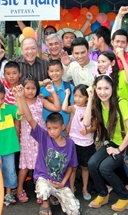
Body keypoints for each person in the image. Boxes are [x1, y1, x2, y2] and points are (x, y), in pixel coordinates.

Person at [14, 85, 80, 215]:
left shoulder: (70, 144)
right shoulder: (43, 136)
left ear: (62, 127)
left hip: (60, 182)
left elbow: (72, 167)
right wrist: (21, 98)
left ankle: (57, 197)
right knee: (43, 190)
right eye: (49, 128)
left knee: (74, 210)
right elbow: (30, 118)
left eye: (55, 128)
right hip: (44, 178)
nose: (51, 132)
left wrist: (63, 182)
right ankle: (46, 204)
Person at [85, 75, 128, 212]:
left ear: (113, 89)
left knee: (105, 168)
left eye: (106, 88)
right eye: (99, 88)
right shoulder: (98, 103)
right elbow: (86, 123)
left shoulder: (120, 103)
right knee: (92, 164)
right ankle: (103, 194)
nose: (103, 92)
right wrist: (90, 99)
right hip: (113, 141)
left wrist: (118, 150)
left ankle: (125, 196)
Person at [16, 75, 61, 203]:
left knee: (41, 164)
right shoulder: (19, 100)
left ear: (37, 89)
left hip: (41, 135)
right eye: (27, 88)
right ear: (22, 88)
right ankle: (19, 188)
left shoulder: (40, 100)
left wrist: (52, 92)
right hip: (27, 136)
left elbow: (57, 108)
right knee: (25, 165)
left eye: (33, 88)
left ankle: (40, 190)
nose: (30, 91)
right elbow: (19, 112)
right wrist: (20, 97)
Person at [63, 84, 95, 200]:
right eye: (75, 96)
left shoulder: (91, 109)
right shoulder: (74, 108)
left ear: (87, 97)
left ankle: (84, 188)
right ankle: (71, 188)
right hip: (73, 142)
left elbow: (95, 126)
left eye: (80, 96)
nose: (77, 99)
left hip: (86, 143)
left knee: (85, 167)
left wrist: (88, 130)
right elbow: (64, 108)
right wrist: (67, 95)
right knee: (73, 167)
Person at [41, 60, 74, 127]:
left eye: (57, 70)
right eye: (52, 71)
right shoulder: (43, 88)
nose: (55, 73)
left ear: (62, 71)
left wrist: (70, 125)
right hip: (47, 125)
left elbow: (73, 108)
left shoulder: (69, 87)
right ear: (48, 73)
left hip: (64, 124)